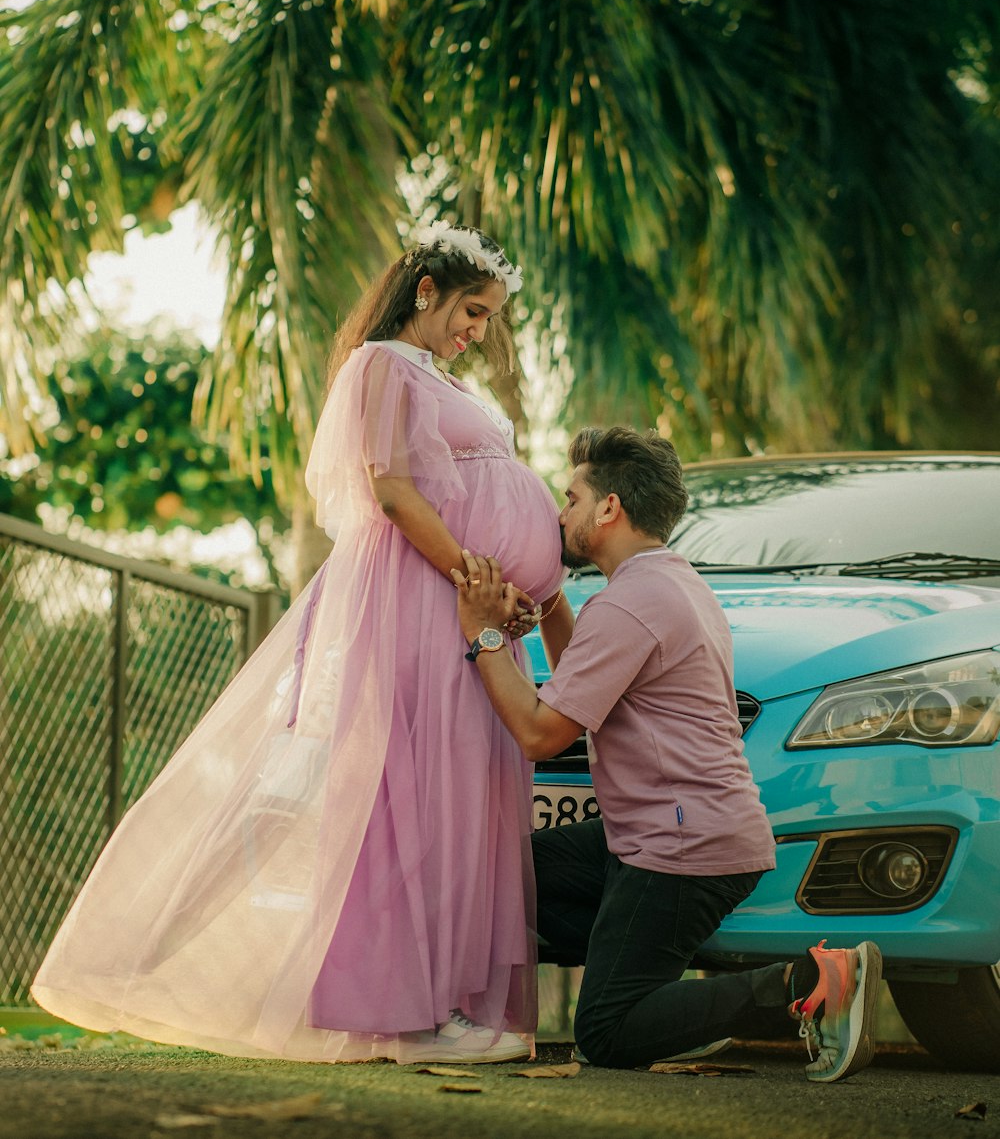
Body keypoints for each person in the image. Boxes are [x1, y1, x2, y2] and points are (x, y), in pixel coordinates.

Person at [32, 222, 572, 1065]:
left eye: (490, 318)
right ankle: (408, 1014)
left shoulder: (432, 374)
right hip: (422, 602)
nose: (479, 332)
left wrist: (503, 591)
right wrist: (476, 574)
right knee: (411, 796)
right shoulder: (384, 365)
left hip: (466, 609)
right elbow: (390, 490)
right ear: (426, 290)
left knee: (463, 791)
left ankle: (450, 1002)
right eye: (472, 310)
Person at [452, 425, 883, 1083]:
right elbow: (581, 687)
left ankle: (813, 981)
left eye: (570, 497)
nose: (559, 513)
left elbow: (544, 733)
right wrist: (546, 602)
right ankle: (671, 1007)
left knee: (605, 1032)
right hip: (668, 832)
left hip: (681, 845)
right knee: (506, 879)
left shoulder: (632, 603)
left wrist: (481, 633)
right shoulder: (665, 586)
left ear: (608, 508)